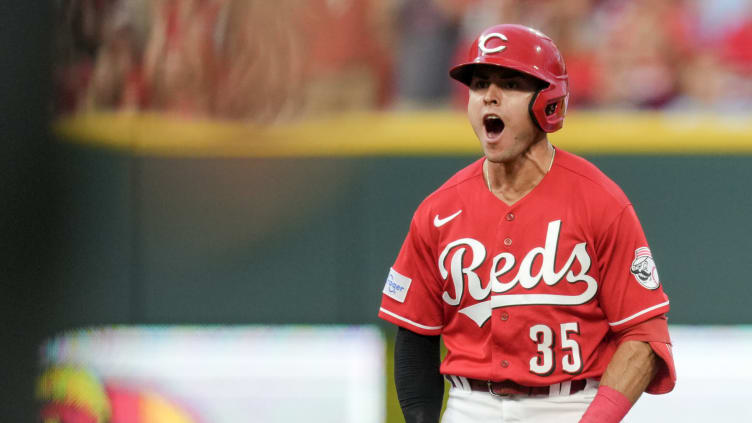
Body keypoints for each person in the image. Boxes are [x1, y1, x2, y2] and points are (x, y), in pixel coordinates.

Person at [377, 24, 676, 423]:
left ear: (549, 102)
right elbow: (414, 335)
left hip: (570, 406)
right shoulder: (438, 210)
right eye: (480, 84)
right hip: (470, 407)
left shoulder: (600, 202)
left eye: (511, 83)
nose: (490, 96)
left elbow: (643, 335)